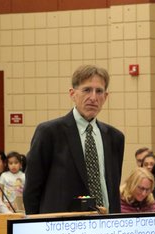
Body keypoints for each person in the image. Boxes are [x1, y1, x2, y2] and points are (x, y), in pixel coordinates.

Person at [24, 64, 125, 214]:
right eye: (86, 90)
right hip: (62, 227)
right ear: (72, 94)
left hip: (105, 227)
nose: (93, 97)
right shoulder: (49, 132)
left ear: (106, 97)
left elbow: (112, 189)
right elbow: (32, 188)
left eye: (99, 91)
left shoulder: (115, 137)